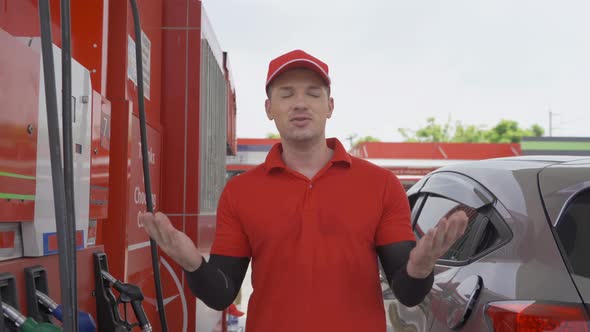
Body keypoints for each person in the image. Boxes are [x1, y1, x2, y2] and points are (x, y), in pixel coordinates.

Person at [140, 49, 469, 332]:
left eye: (313, 93)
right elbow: (222, 293)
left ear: (330, 106)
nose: (300, 103)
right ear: (269, 108)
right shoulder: (241, 191)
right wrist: (193, 263)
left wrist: (420, 268)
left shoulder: (380, 184)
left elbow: (407, 292)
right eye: (286, 94)